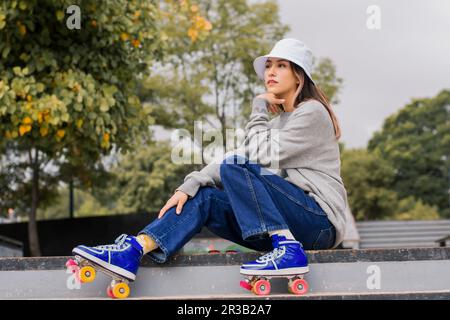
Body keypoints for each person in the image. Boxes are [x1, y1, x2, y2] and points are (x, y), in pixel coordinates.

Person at [72, 38, 348, 282]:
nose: (270, 72)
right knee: (204, 197)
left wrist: (259, 107)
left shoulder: (312, 112)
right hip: (291, 223)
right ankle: (134, 250)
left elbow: (255, 155)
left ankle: (288, 250)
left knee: (235, 166)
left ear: (298, 75)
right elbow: (238, 158)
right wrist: (189, 185)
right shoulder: (279, 123)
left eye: (280, 65)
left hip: (319, 223)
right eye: (268, 65)